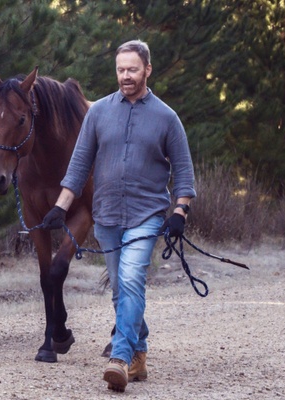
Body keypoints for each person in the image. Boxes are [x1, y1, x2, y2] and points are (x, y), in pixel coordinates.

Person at [40, 40, 196, 392]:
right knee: (120, 289)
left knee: (129, 280)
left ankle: (121, 358)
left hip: (147, 213)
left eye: (132, 69)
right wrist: (60, 206)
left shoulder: (167, 118)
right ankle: (139, 353)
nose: (125, 76)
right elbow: (79, 166)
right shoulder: (98, 113)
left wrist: (180, 211)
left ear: (147, 70)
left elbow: (184, 173)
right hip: (107, 214)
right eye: (120, 70)